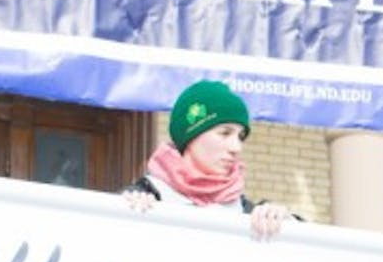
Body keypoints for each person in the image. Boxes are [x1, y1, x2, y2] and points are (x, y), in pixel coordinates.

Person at [124, 80, 292, 239]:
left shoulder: (247, 212)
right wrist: (128, 210)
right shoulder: (145, 195)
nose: (237, 148)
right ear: (191, 136)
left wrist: (282, 220)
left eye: (240, 137)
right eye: (225, 133)